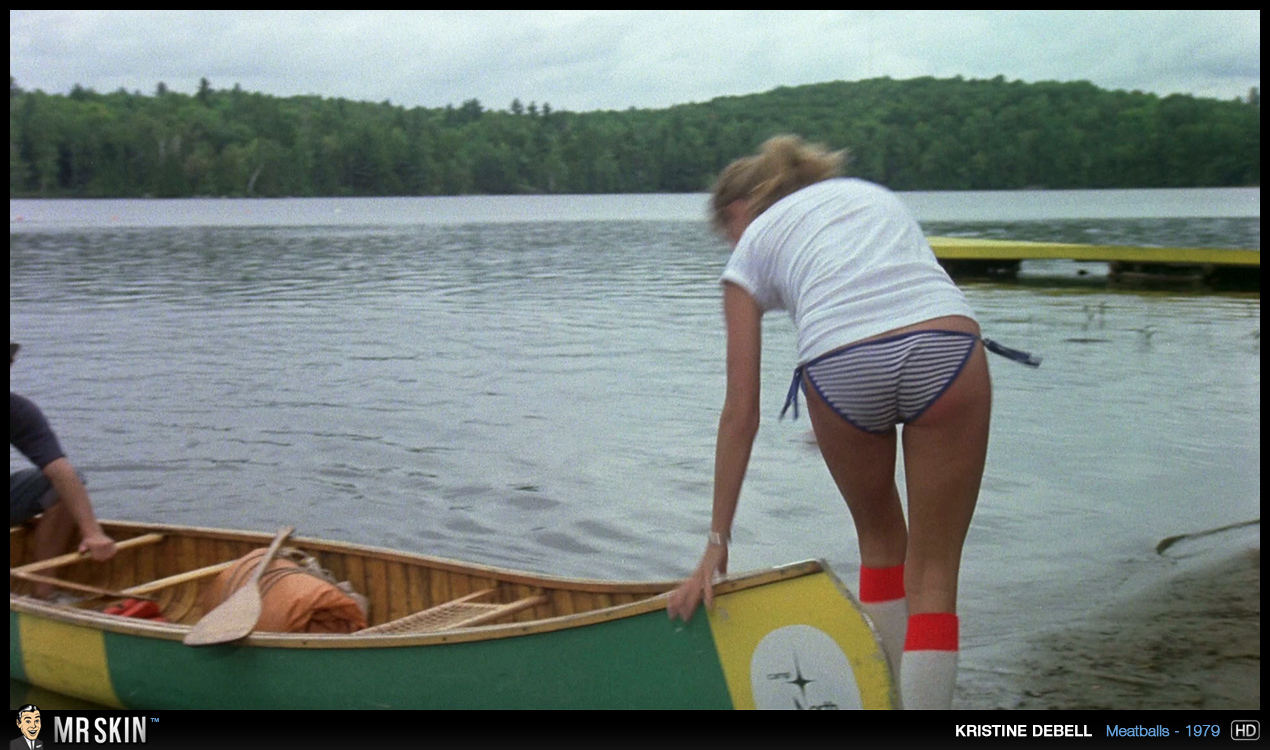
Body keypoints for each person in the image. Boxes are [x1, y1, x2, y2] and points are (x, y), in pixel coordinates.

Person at [666, 136, 1037, 710]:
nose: (731, 242)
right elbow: (893, 293)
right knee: (935, 576)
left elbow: (741, 413)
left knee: (882, 544)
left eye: (726, 230)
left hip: (841, 367)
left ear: (740, 209)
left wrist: (717, 542)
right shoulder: (866, 194)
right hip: (945, 345)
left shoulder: (751, 247)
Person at [10, 342, 117, 596]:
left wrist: (93, 533)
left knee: (68, 483)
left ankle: (43, 591)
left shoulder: (18, 411)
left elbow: (60, 471)